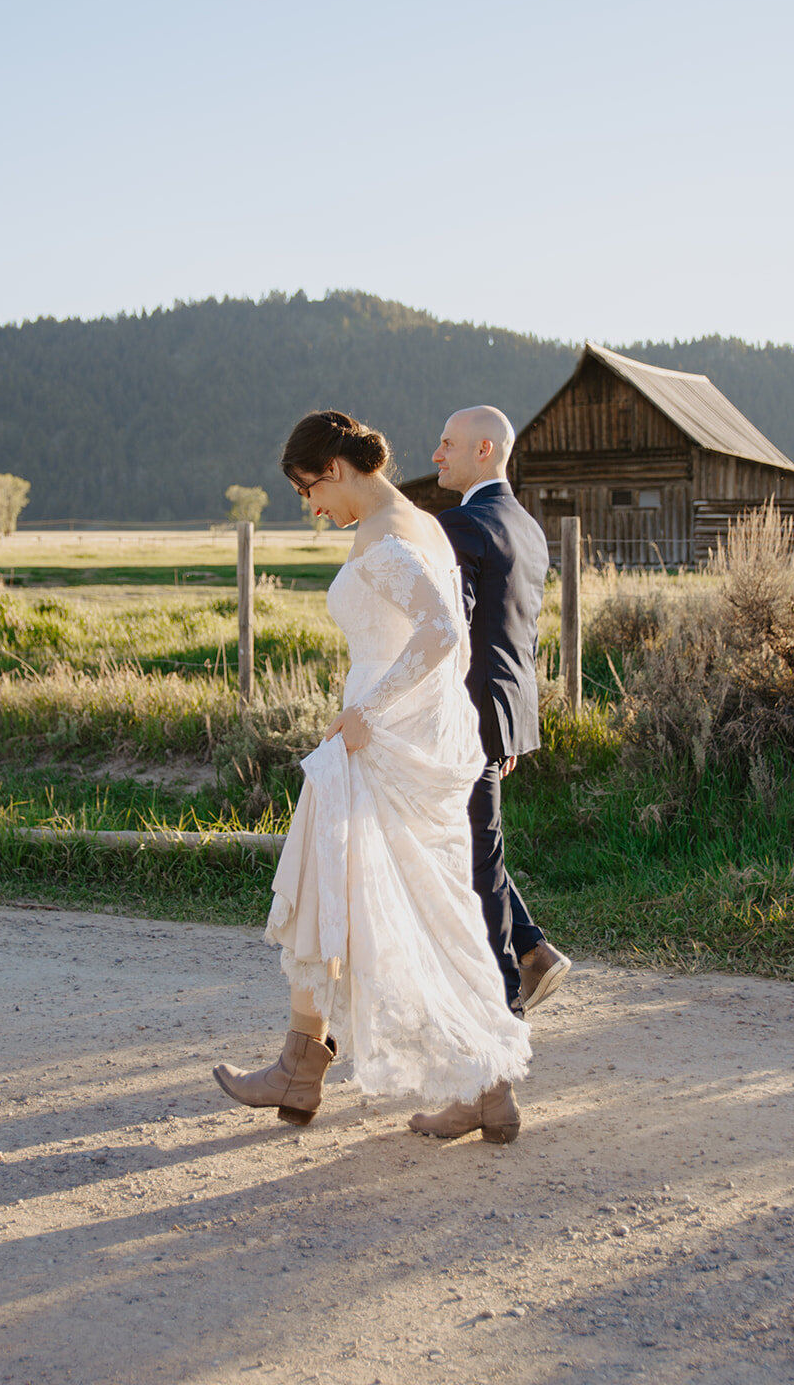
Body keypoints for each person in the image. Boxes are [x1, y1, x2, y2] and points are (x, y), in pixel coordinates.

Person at [213, 409, 531, 1143]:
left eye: (306, 489)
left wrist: (374, 712)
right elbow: (445, 643)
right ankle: (476, 1086)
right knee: (395, 901)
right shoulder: (419, 520)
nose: (310, 507)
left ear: (334, 468)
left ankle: (318, 1067)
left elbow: (442, 633)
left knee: (378, 899)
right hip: (399, 733)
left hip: (379, 737)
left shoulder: (383, 531)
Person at [433, 405, 571, 1015]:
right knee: (468, 846)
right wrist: (509, 726)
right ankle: (533, 951)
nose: (436, 455)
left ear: (483, 450)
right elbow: (519, 636)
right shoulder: (527, 526)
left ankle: (499, 1003)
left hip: (460, 715)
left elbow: (449, 634)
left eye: (447, 444)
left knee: (475, 856)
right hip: (500, 713)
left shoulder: (462, 524)